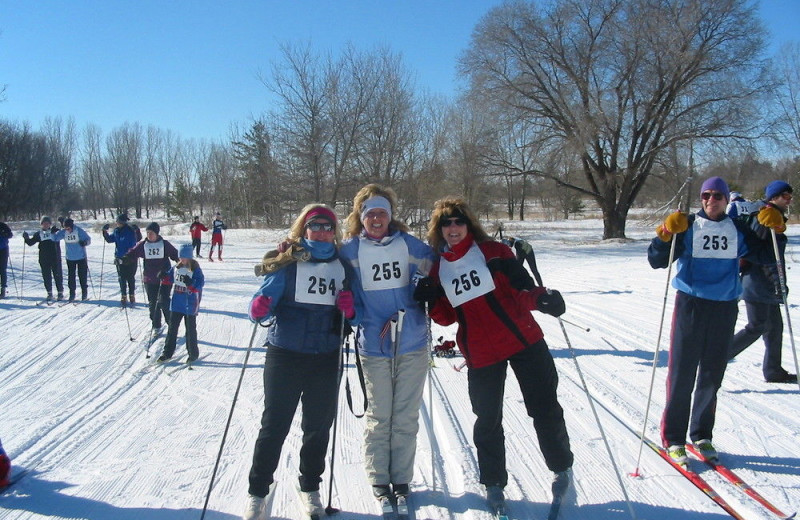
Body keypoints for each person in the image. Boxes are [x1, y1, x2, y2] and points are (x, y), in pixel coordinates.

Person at [413, 197, 573, 513]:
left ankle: (561, 467)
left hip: (522, 339)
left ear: (468, 224)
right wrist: (429, 300)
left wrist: (543, 299)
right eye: (446, 223)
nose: (453, 227)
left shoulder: (493, 252)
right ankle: (494, 482)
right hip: (481, 351)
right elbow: (446, 317)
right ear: (439, 229)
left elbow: (521, 288)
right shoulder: (438, 266)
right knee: (487, 419)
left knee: (544, 407)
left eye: (458, 221)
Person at [648, 176, 784, 465]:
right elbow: (657, 260)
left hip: (724, 307)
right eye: (706, 195)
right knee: (682, 373)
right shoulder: (687, 225)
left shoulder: (737, 228)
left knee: (712, 373)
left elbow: (768, 255)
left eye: (718, 196)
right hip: (691, 305)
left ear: (725, 200)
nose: (712, 200)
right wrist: (664, 234)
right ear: (701, 199)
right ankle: (673, 438)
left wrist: (777, 229)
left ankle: (701, 434)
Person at [243, 204, 357, 520]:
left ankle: (310, 488)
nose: (321, 231)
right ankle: (257, 493)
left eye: (327, 226)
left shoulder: (344, 266)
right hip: (286, 354)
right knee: (274, 426)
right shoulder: (288, 261)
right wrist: (258, 307)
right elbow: (260, 307)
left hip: (326, 356)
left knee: (318, 428)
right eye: (315, 225)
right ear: (304, 229)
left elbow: (356, 314)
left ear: (335, 232)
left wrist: (351, 310)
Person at [337, 184, 434, 505]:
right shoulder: (350, 251)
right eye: (370, 214)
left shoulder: (409, 245)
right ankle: (380, 479)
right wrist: (353, 313)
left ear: (391, 216)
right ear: (360, 217)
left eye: (382, 212)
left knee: (405, 416)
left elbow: (442, 262)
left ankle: (402, 480)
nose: (377, 219)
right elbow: (322, 264)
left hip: (413, 343)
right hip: (373, 346)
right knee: (380, 417)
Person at [729, 180, 797, 383]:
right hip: (756, 282)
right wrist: (776, 281)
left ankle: (773, 370)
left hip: (767, 283)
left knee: (775, 327)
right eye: (785, 196)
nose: (788, 200)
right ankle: (719, 357)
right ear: (774, 197)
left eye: (790, 197)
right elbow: (758, 253)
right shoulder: (763, 217)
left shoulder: (775, 218)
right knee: (756, 326)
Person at [121, 222, 179, 331]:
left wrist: (180, 263)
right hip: (149, 278)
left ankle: (172, 326)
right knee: (153, 304)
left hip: (164, 278)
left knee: (164, 301)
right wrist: (124, 259)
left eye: (151, 233)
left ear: (157, 233)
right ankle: (156, 325)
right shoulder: (143, 245)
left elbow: (176, 255)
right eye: (147, 233)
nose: (149, 235)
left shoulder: (164, 244)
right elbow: (132, 254)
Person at [156, 244, 205, 363]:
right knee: (172, 329)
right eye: (180, 257)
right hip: (177, 302)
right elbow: (169, 279)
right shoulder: (176, 268)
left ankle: (193, 354)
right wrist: (163, 276)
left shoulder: (195, 269)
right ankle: (167, 353)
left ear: (189, 257)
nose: (181, 259)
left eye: (184, 257)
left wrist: (191, 284)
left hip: (190, 303)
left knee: (190, 329)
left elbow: (200, 283)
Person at [102, 214, 142, 307]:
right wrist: (104, 232)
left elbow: (138, 238)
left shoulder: (130, 230)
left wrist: (137, 230)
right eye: (117, 221)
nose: (117, 223)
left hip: (131, 257)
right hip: (119, 257)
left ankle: (131, 294)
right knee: (121, 277)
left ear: (122, 222)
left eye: (118, 222)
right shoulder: (116, 231)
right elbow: (109, 239)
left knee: (130, 277)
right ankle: (123, 295)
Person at [23, 216, 64, 302]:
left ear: (50, 224)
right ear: (41, 224)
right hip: (44, 258)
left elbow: (63, 232)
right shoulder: (39, 234)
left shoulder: (54, 231)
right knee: (46, 276)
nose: (45, 225)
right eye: (44, 223)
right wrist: (26, 238)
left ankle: (60, 292)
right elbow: (31, 243)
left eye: (47, 223)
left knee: (57, 275)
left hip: (55, 257)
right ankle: (49, 293)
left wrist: (61, 223)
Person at [53, 218, 92, 302]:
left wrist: (85, 243)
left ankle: (84, 293)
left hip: (81, 257)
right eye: (65, 228)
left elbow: (88, 239)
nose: (67, 230)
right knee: (71, 277)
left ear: (72, 226)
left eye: (68, 228)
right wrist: (53, 232)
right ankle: (72, 294)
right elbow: (55, 238)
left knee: (82, 276)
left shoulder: (79, 231)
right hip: (70, 258)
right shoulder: (64, 232)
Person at [0, 222, 12, 299]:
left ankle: (3, 290)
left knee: (2, 269)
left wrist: (4, 234)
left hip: (3, 249)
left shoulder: (2, 225)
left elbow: (10, 235)